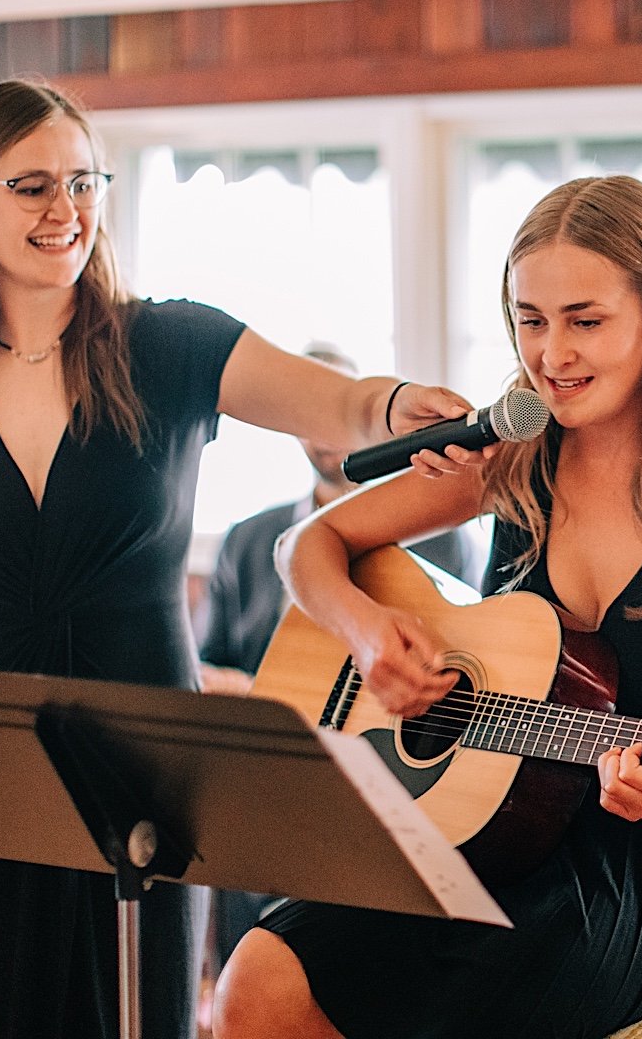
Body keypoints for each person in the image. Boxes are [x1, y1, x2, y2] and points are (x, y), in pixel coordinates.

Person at [0, 77, 477, 1039]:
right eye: (31, 186)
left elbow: (342, 402)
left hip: (145, 760)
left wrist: (399, 407)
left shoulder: (171, 344)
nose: (65, 210)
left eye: (83, 181)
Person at [210, 174, 642, 1039]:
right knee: (258, 976)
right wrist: (367, 630)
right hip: (496, 833)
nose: (552, 355)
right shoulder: (509, 458)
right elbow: (304, 547)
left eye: (585, 320)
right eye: (531, 321)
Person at [199, 339, 484, 966]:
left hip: (382, 761)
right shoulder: (249, 539)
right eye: (311, 421)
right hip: (270, 756)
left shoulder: (440, 534)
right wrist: (260, 699)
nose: (325, 436)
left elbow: (467, 657)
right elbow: (204, 661)